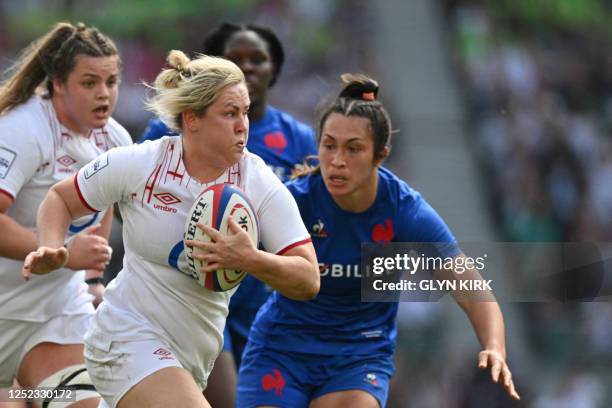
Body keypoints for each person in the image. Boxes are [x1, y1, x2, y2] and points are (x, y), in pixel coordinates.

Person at [22, 50, 320, 408]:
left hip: (191, 358)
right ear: (192, 118)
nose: (243, 124)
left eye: (244, 111)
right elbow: (61, 198)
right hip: (124, 337)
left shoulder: (258, 182)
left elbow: (308, 279)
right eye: (229, 113)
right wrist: (51, 246)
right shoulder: (142, 164)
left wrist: (250, 258)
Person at [237, 74, 521, 407]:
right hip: (281, 350)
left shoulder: (405, 211)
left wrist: (494, 346)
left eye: (353, 148)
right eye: (329, 145)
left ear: (380, 155)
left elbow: (471, 288)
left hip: (357, 356)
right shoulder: (292, 201)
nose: (337, 160)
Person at [138, 22, 317, 406]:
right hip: (193, 298)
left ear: (275, 69)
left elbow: (313, 220)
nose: (249, 67)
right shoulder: (164, 132)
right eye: (237, 59)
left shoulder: (298, 139)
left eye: (259, 59)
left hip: (264, 303)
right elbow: (129, 201)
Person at [0, 22, 131, 407]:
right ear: (58, 83)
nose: (104, 94)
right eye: (89, 83)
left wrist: (91, 279)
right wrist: (61, 253)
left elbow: (101, 205)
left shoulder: (116, 141)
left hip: (51, 320)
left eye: (112, 81)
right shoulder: (21, 130)